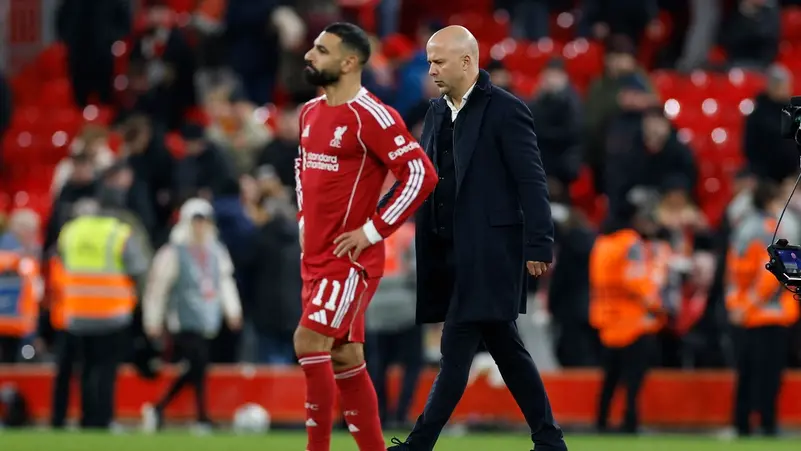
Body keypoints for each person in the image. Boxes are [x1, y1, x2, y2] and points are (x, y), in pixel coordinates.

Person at [386, 26, 566, 451]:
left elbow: (531, 181)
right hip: (447, 253)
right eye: (429, 62)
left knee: (455, 350)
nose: (431, 70)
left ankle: (418, 444)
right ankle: (549, 440)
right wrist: (379, 221)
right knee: (507, 350)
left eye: (438, 61)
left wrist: (539, 243)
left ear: (466, 61)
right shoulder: (435, 112)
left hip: (490, 254)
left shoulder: (506, 109)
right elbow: (420, 177)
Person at [294, 22, 438, 451]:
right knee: (345, 356)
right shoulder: (309, 112)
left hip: (349, 259)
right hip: (314, 254)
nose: (310, 55)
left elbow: (421, 174)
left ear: (349, 62)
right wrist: (302, 220)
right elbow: (301, 167)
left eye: (322, 50)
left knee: (308, 341)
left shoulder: (373, 115)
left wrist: (373, 229)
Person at [141, 198, 243, 432]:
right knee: (197, 363)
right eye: (196, 221)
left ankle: (161, 408)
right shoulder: (173, 251)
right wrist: (153, 319)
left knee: (197, 367)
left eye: (204, 221)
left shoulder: (216, 251)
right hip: (183, 318)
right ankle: (200, 416)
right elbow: (158, 288)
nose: (200, 227)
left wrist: (232, 310)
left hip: (208, 318)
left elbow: (225, 283)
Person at [51, 198, 149, 429]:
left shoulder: (69, 232)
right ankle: (105, 419)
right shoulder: (118, 232)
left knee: (85, 368)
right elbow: (138, 267)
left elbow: (60, 263)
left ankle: (87, 419)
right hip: (112, 312)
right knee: (106, 369)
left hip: (77, 312)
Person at [726, 179, 800, 437]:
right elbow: (769, 275)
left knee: (746, 372)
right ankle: (767, 424)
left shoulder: (743, 226)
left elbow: (733, 272)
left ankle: (741, 424)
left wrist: (736, 306)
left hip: (745, 313)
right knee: (769, 375)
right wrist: (748, 307)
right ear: (770, 200)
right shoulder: (775, 227)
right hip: (770, 314)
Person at [589, 196, 665, 434]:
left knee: (610, 377)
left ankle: (601, 420)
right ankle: (630, 421)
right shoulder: (630, 242)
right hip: (633, 319)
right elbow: (635, 277)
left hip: (606, 317)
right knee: (633, 378)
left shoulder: (602, 242)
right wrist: (655, 304)